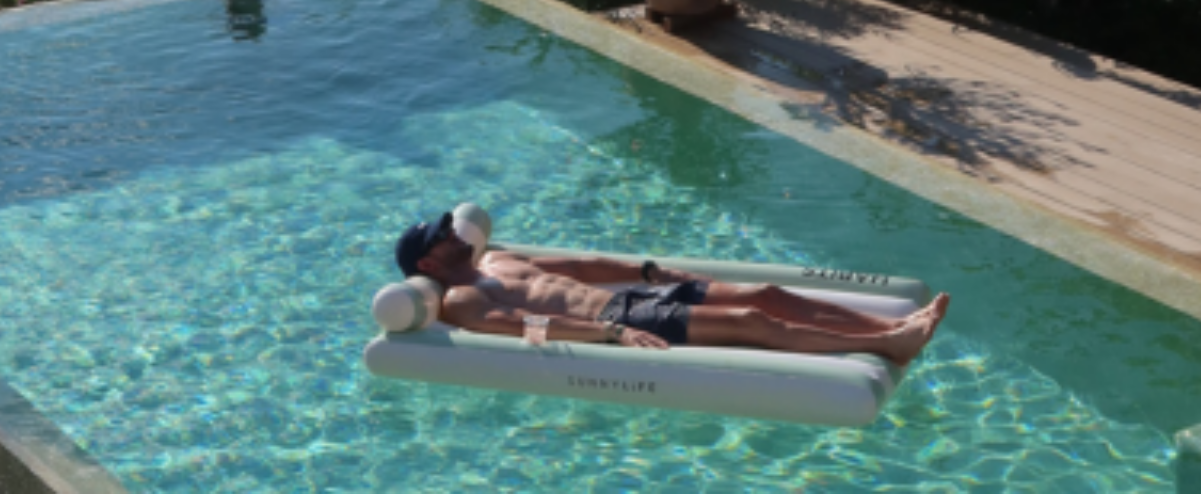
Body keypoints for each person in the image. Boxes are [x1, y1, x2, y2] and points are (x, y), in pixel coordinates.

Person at [394, 211, 949, 362]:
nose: (454, 233)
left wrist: (652, 272)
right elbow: (527, 329)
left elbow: (583, 265)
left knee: (762, 296)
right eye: (443, 236)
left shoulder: (498, 257)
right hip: (627, 320)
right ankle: (885, 346)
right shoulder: (461, 299)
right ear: (430, 261)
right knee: (752, 324)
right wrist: (608, 334)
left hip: (639, 297)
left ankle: (891, 326)